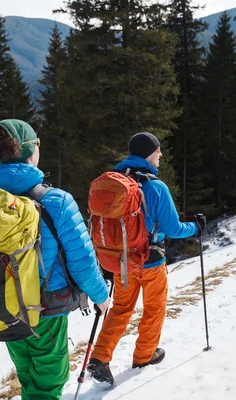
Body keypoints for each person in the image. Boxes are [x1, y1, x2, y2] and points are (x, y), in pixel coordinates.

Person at [0, 119, 110, 399]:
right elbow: (82, 260)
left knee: (27, 374)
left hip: (4, 308)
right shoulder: (56, 201)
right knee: (50, 380)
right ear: (31, 151)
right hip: (45, 309)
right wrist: (101, 296)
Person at [87, 132, 206, 384]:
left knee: (120, 309)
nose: (161, 154)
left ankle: (99, 357)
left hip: (122, 264)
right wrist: (196, 227)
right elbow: (173, 229)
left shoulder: (117, 183)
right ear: (149, 152)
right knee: (154, 309)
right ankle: (144, 355)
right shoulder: (155, 186)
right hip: (151, 262)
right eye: (158, 150)